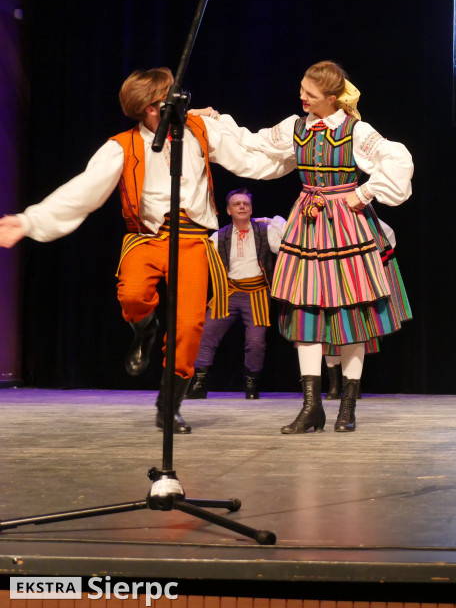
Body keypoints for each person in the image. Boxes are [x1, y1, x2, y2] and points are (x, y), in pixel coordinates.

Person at [0, 67, 285, 433]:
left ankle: (169, 405)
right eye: (172, 96)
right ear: (153, 108)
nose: (183, 99)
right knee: (133, 294)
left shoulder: (200, 131)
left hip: (193, 239)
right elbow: (83, 191)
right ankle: (145, 330)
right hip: (147, 237)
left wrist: (299, 154)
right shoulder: (121, 147)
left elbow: (250, 158)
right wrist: (28, 221)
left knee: (188, 327)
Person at [209, 60, 413, 434]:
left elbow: (397, 160)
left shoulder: (356, 130)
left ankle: (347, 407)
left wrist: (364, 191)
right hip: (309, 224)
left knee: (352, 314)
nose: (302, 97)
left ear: (331, 98)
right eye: (302, 89)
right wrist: (216, 122)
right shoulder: (295, 127)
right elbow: (253, 144)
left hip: (348, 227)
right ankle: (311, 408)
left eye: (310, 93)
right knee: (305, 312)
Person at [187, 188, 286, 401]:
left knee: (256, 342)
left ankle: (251, 384)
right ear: (228, 210)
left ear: (251, 209)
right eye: (237, 204)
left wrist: (272, 220)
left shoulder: (265, 232)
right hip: (228, 292)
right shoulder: (218, 236)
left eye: (246, 204)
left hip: (257, 293)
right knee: (206, 335)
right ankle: (200, 382)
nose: (242, 206)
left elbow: (287, 241)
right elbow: (198, 259)